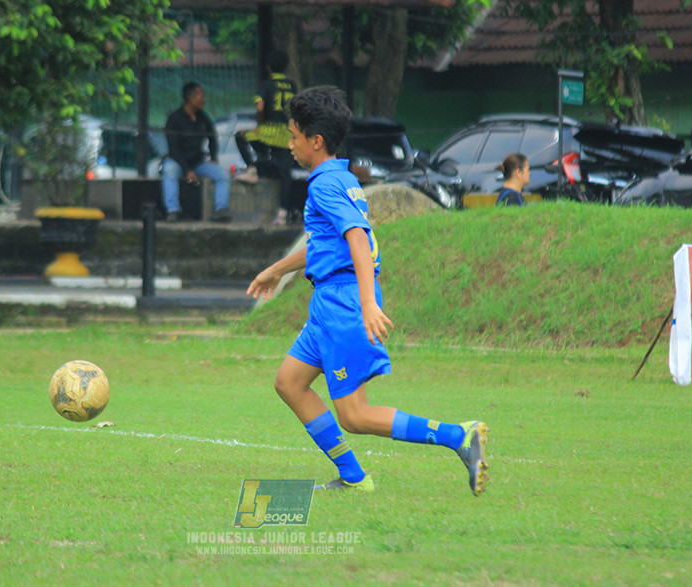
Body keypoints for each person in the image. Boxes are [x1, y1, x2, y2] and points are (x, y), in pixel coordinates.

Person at [246, 86, 489, 495]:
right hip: (328, 303)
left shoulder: (324, 185)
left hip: (344, 303)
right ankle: (353, 478)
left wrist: (366, 305)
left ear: (315, 141)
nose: (289, 144)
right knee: (289, 382)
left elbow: (358, 239)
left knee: (355, 416)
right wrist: (277, 270)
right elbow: (328, 244)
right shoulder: (340, 178)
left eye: (293, 136)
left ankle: (458, 436)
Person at [234, 49, 297, 226]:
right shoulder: (292, 85)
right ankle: (283, 213)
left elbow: (260, 107)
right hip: (286, 134)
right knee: (285, 172)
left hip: (268, 131)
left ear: (268, 67)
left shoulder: (266, 85)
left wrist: (260, 125)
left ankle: (252, 169)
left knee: (241, 137)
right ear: (286, 67)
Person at [162, 82, 231, 222]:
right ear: (190, 98)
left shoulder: (203, 117)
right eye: (201, 96)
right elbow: (174, 149)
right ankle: (173, 210)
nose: (204, 99)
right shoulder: (174, 119)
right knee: (169, 170)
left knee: (223, 174)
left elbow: (212, 137)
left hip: (197, 162)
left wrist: (213, 157)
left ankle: (221, 209)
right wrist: (186, 170)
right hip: (178, 161)